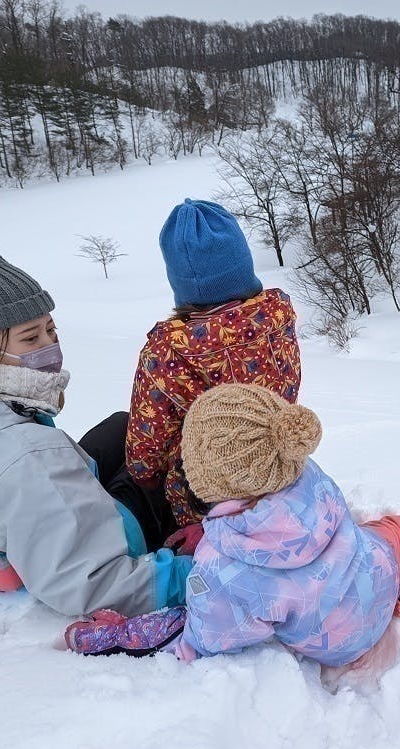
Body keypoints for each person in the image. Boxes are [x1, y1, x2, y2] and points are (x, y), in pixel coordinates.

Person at [65, 383, 400, 665]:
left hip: (340, 639)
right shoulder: (307, 476)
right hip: (367, 572)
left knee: (338, 581)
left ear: (208, 478)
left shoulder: (222, 571)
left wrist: (114, 634)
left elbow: (198, 640)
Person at [0, 236, 190, 615]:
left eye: (51, 331)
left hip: (16, 517)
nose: (50, 346)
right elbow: (96, 583)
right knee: (177, 459)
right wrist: (209, 574)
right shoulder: (30, 459)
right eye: (30, 337)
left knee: (124, 427)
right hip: (96, 551)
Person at [125, 199, 302, 533]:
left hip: (206, 504)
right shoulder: (277, 320)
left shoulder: (166, 353)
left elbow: (144, 461)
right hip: (281, 475)